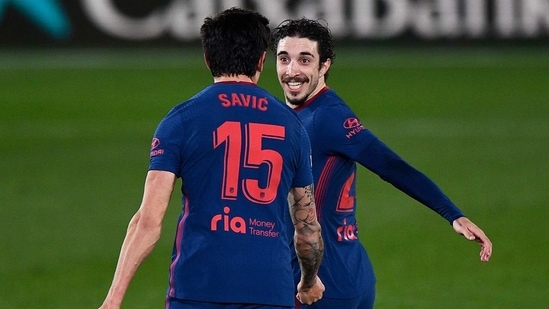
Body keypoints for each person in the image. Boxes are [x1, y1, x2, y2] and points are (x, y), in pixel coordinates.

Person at [98, 8, 325, 309]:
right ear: (261, 60)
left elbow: (148, 221)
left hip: (197, 288)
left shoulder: (181, 120)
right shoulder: (292, 126)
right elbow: (307, 231)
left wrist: (113, 300)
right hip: (269, 290)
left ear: (208, 59)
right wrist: (309, 280)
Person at [271, 18, 493, 309]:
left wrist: (452, 214)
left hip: (321, 286)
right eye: (284, 59)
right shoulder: (305, 114)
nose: (292, 71)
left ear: (324, 66)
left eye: (305, 60)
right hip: (352, 272)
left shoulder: (327, 117)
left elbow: (389, 165)